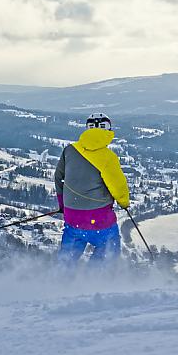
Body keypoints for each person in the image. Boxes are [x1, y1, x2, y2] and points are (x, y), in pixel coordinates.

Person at [54, 112, 130, 264]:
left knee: (66, 259)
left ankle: (59, 282)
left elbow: (58, 178)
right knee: (109, 250)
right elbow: (118, 185)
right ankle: (95, 281)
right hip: (100, 219)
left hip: (72, 217)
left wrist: (63, 205)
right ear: (108, 131)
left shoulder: (69, 150)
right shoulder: (108, 157)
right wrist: (124, 203)